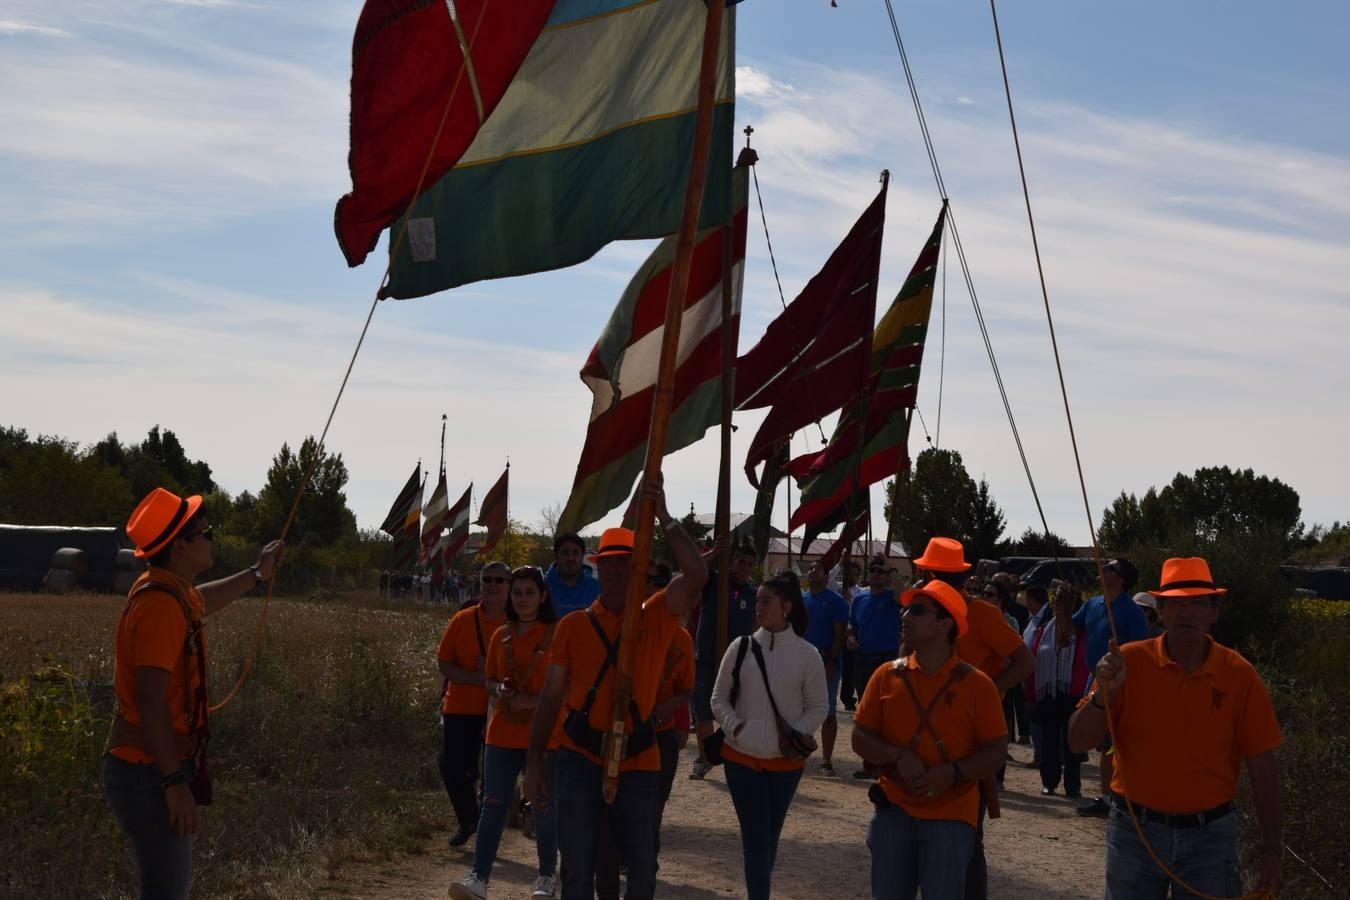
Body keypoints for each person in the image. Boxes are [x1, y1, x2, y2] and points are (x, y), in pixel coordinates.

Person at [523, 487, 706, 900]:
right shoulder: (572, 627)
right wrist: (534, 760)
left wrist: (665, 518)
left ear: (638, 567)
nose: (616, 572)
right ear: (598, 570)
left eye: (625, 564)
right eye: (608, 565)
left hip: (640, 759)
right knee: (577, 868)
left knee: (642, 865)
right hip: (581, 757)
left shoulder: (658, 616)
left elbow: (696, 575)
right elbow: (551, 698)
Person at [105, 487, 284, 900]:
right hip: (147, 771)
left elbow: (200, 602)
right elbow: (150, 700)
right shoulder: (161, 605)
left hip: (148, 767)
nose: (212, 538)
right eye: (208, 531)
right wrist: (172, 780)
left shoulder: (169, 592)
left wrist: (257, 574)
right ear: (181, 546)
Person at [1069, 557, 1284, 898]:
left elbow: (1262, 766)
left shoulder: (1240, 676)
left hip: (1210, 838)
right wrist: (1103, 696)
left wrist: (1273, 849)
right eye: (1176, 603)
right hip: (1134, 833)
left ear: (1214, 612)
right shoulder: (1127, 663)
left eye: (1198, 603)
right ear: (1161, 611)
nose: (1187, 613)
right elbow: (1078, 741)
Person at [852, 580, 1008, 900]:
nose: (906, 615)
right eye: (906, 609)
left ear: (945, 624)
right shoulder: (885, 675)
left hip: (952, 815)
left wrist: (952, 773)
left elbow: (996, 752)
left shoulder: (979, 686)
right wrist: (897, 755)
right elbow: (859, 738)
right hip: (893, 809)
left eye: (918, 610)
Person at [912, 537, 1033, 900]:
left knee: (967, 837)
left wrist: (987, 692)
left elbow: (1024, 661)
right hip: (926, 737)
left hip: (969, 742)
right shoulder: (924, 614)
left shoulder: (980, 614)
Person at [710, 571, 827, 900]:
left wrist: (795, 733)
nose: (758, 606)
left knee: (769, 837)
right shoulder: (741, 647)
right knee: (756, 837)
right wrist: (736, 727)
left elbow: (819, 707)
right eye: (757, 600)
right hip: (740, 757)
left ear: (786, 606)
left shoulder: (808, 655)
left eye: (766, 601)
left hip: (786, 762)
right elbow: (718, 698)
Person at [449, 567, 561, 900]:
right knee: (493, 804)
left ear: (542, 596)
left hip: (543, 735)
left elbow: (564, 690)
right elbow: (489, 680)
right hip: (501, 733)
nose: (522, 599)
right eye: (517, 592)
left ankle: (545, 876)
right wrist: (499, 688)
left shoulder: (557, 635)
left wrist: (533, 700)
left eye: (529, 592)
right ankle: (479, 877)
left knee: (542, 804)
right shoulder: (502, 635)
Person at [594, 561, 692, 900]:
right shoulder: (621, 626)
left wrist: (677, 720)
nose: (654, 587)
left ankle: (644, 865)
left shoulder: (679, 636)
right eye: (649, 581)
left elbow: (684, 688)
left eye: (660, 582)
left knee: (651, 810)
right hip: (614, 733)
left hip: (657, 735)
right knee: (608, 810)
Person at [1066, 558, 1150, 818]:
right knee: (1102, 743)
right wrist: (1064, 603)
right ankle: (1107, 797)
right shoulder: (1093, 603)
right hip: (1095, 680)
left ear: (1121, 578)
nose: (1102, 568)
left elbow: (1140, 655)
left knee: (1114, 743)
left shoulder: (1132, 612)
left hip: (1120, 682)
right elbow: (1071, 626)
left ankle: (1121, 795)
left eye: (1110, 567)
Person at [437, 561, 510, 847]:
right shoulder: (463, 619)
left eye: (499, 581)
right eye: (487, 579)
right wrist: (477, 677)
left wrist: (494, 670)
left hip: (498, 709)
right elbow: (445, 663)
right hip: (460, 705)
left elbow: (529, 669)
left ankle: (487, 827)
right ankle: (469, 820)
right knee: (452, 765)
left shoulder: (516, 624)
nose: (492, 585)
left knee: (493, 772)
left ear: (509, 586)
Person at [689, 541, 758, 780]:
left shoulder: (752, 593)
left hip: (736, 664)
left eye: (749, 564)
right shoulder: (714, 581)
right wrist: (713, 553)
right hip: (706, 660)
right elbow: (692, 568)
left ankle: (732, 755)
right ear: (732, 561)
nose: (744, 568)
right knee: (703, 712)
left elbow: (755, 628)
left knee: (736, 712)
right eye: (740, 561)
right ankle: (704, 757)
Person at [1023, 584, 1088, 797]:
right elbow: (1034, 662)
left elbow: (1084, 663)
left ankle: (1073, 785)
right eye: (1057, 599)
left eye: (1065, 599)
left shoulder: (1081, 630)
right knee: (1049, 739)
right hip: (1048, 692)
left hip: (1073, 692)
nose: (1059, 603)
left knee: (1072, 741)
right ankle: (1049, 781)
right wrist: (1031, 694)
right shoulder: (1044, 630)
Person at [846, 556, 902, 779]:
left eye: (881, 570)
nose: (877, 573)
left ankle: (885, 762)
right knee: (866, 709)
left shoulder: (891, 597)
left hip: (886, 659)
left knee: (887, 712)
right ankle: (869, 763)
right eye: (874, 569)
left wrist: (892, 571)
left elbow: (903, 596)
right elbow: (853, 627)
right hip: (863, 658)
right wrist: (850, 638)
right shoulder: (860, 600)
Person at [802, 560, 849, 774]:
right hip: (803, 663)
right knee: (801, 710)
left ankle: (826, 760)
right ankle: (800, 753)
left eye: (817, 568)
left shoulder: (836, 601)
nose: (813, 571)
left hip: (826, 660)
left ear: (827, 574)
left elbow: (839, 635)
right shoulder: (801, 599)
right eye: (810, 568)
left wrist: (831, 661)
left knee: (828, 711)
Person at [546, 532, 601, 618]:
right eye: (565, 553)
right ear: (556, 557)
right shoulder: (543, 585)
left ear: (582, 556)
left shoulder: (596, 588)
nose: (570, 558)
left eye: (575, 553)